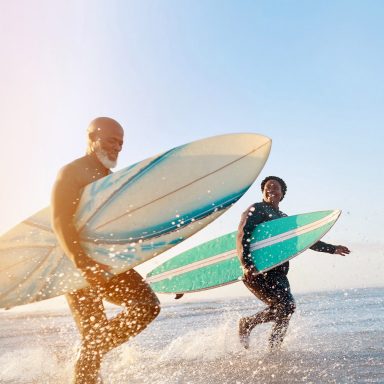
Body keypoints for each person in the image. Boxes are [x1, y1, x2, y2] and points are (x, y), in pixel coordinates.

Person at [51, 117, 160, 384]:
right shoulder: (72, 172)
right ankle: (90, 358)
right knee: (94, 336)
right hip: (77, 267)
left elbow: (120, 231)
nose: (118, 147)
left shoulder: (111, 180)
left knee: (147, 306)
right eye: (113, 140)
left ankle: (90, 353)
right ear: (92, 136)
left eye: (121, 142)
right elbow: (59, 220)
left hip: (109, 263)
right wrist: (81, 262)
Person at [237, 176, 350, 351]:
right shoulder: (256, 209)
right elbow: (243, 234)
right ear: (262, 191)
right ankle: (250, 326)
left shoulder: (284, 218)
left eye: (276, 188)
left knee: (286, 310)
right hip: (258, 270)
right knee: (287, 306)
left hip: (279, 272)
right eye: (268, 187)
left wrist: (332, 249)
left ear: (282, 194)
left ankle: (272, 348)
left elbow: (305, 241)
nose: (271, 190)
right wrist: (246, 263)